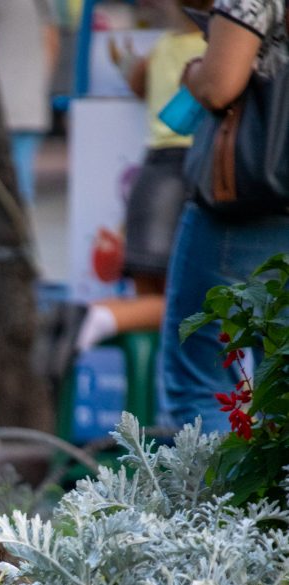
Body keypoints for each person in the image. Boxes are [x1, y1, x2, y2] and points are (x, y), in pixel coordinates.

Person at [159, 0, 289, 433]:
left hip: (252, 208)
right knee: (281, 386)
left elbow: (219, 85)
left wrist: (194, 74)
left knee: (202, 381)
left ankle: (227, 501)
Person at [69, 0, 211, 354]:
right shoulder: (215, 50)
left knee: (152, 306)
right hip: (192, 173)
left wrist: (126, 61)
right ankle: (97, 315)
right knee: (193, 306)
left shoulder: (163, 47)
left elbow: (135, 82)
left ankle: (97, 320)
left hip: (151, 176)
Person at [0, 0, 60, 206]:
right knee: (22, 164)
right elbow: (52, 41)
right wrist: (42, 81)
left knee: (2, 166)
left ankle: (13, 217)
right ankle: (20, 216)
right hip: (31, 92)